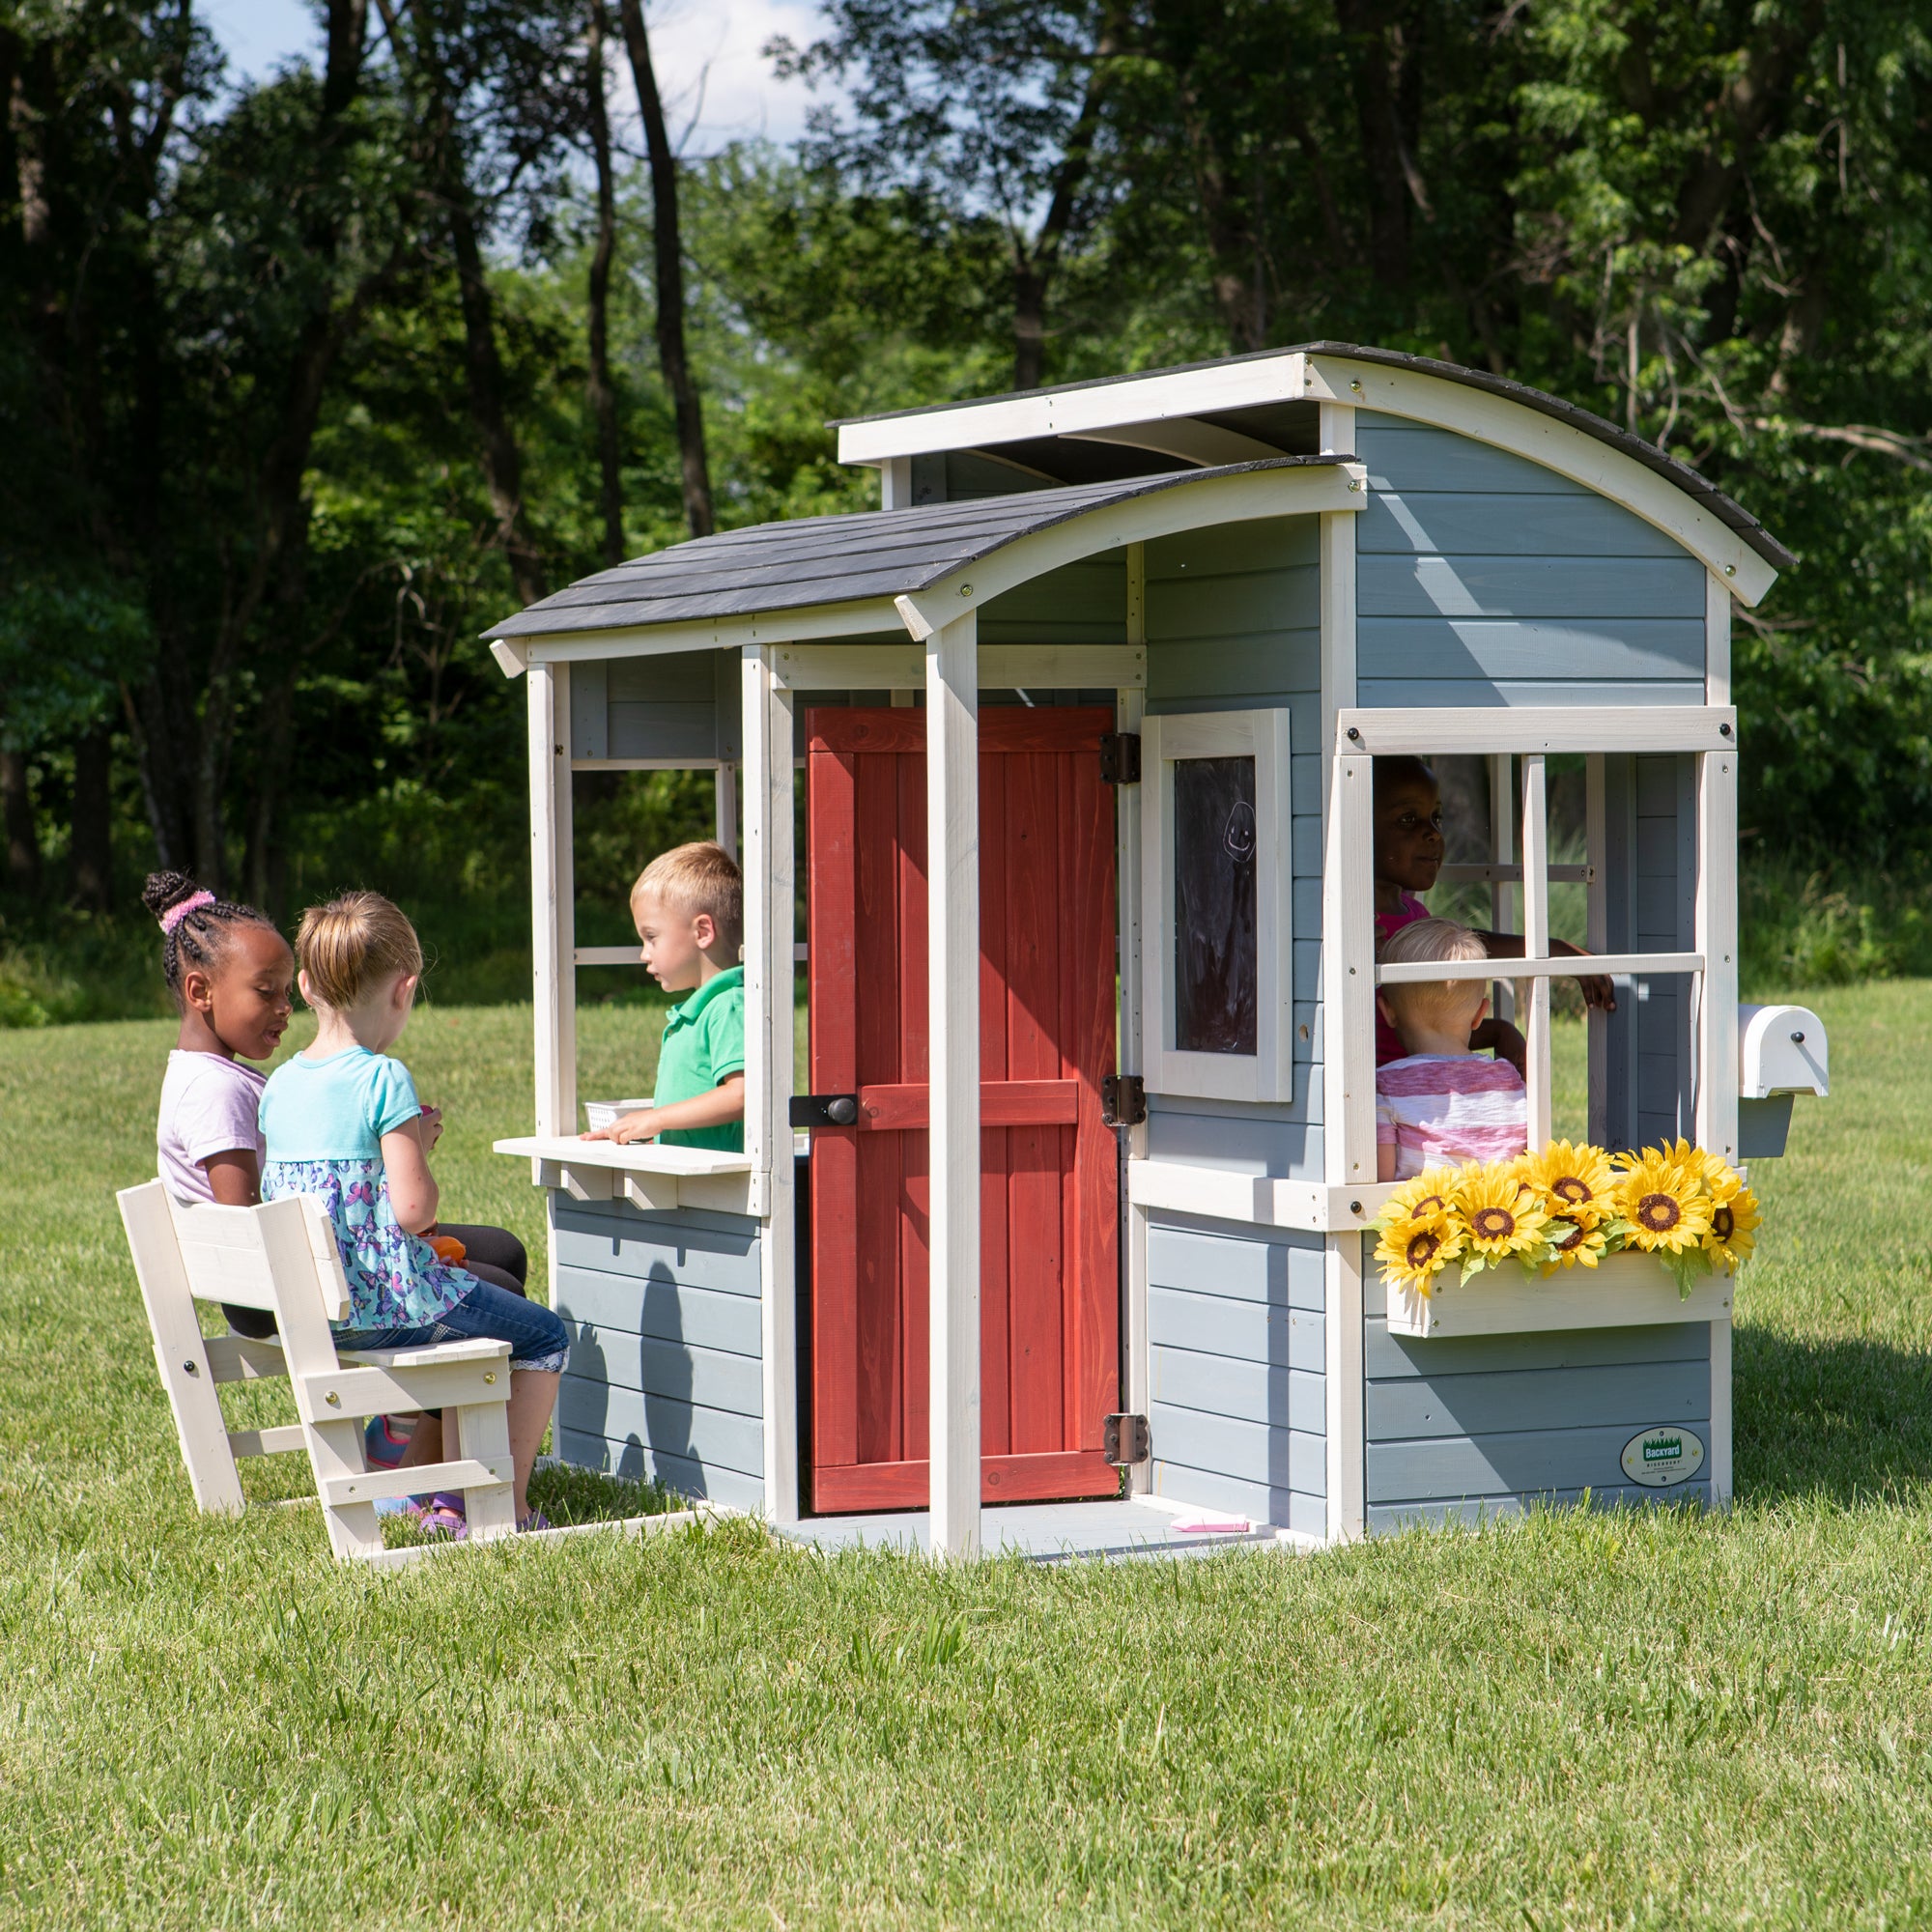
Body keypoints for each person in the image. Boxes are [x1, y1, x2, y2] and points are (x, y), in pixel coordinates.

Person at [260, 891, 566, 1535]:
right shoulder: (382, 1079)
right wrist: (419, 1147)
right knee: (541, 1336)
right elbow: (412, 1209)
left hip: (315, 1313)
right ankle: (495, 1507)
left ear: (308, 985)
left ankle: (432, 1494)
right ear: (404, 989)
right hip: (389, 1307)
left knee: (483, 1315)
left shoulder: (281, 1084)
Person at [1374, 754, 1614, 1072]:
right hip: (1378, 1105)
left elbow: (1435, 1016)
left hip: (1422, 1096)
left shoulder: (1413, 912)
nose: (1432, 833)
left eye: (1437, 818)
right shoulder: (1356, 923)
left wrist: (1554, 951)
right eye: (1408, 819)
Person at [582, 840, 746, 1151]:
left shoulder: (729, 1005)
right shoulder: (700, 1010)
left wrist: (657, 1118)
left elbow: (743, 1094)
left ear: (702, 932)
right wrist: (647, 1129)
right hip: (694, 1184)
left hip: (721, 1190)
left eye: (651, 937)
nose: (644, 954)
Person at [1375, 918, 1528, 1181]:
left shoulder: (1386, 1085)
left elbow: (1380, 1184)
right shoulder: (1509, 1078)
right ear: (1480, 1013)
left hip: (1423, 1219)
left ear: (1386, 1011)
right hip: (1502, 1215)